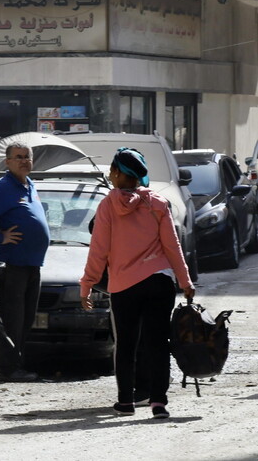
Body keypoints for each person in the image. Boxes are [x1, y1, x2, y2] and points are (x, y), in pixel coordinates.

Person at [80, 147, 195, 418]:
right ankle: (158, 403)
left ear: (119, 174)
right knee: (158, 343)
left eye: (111, 170)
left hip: (124, 286)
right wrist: (185, 280)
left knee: (127, 345)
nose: (110, 175)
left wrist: (87, 284)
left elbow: (99, 250)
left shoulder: (108, 205)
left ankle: (126, 402)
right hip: (160, 283)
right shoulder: (157, 203)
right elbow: (172, 246)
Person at [0, 142, 50, 382]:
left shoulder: (29, 184)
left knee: (26, 319)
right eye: (18, 157)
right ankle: (8, 369)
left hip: (32, 263)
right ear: (8, 162)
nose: (24, 161)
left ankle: (19, 365)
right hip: (13, 263)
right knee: (14, 320)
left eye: (27, 157)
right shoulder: (4, 187)